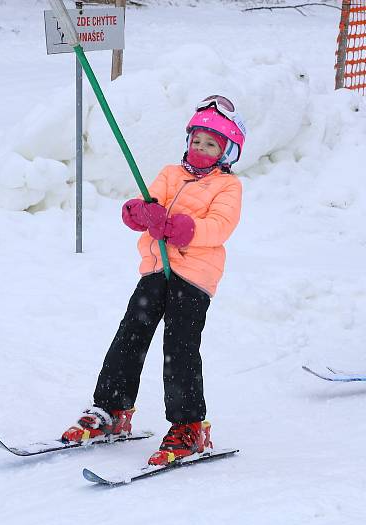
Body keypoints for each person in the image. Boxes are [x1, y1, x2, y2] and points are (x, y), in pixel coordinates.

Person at [61, 95, 246, 465]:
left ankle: (189, 426)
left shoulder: (228, 186)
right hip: (156, 268)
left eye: (212, 144)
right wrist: (139, 212)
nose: (201, 149)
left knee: (179, 347)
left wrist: (180, 228)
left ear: (227, 151)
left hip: (194, 276)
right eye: (196, 140)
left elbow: (219, 227)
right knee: (130, 334)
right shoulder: (170, 173)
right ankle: (112, 410)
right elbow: (151, 203)